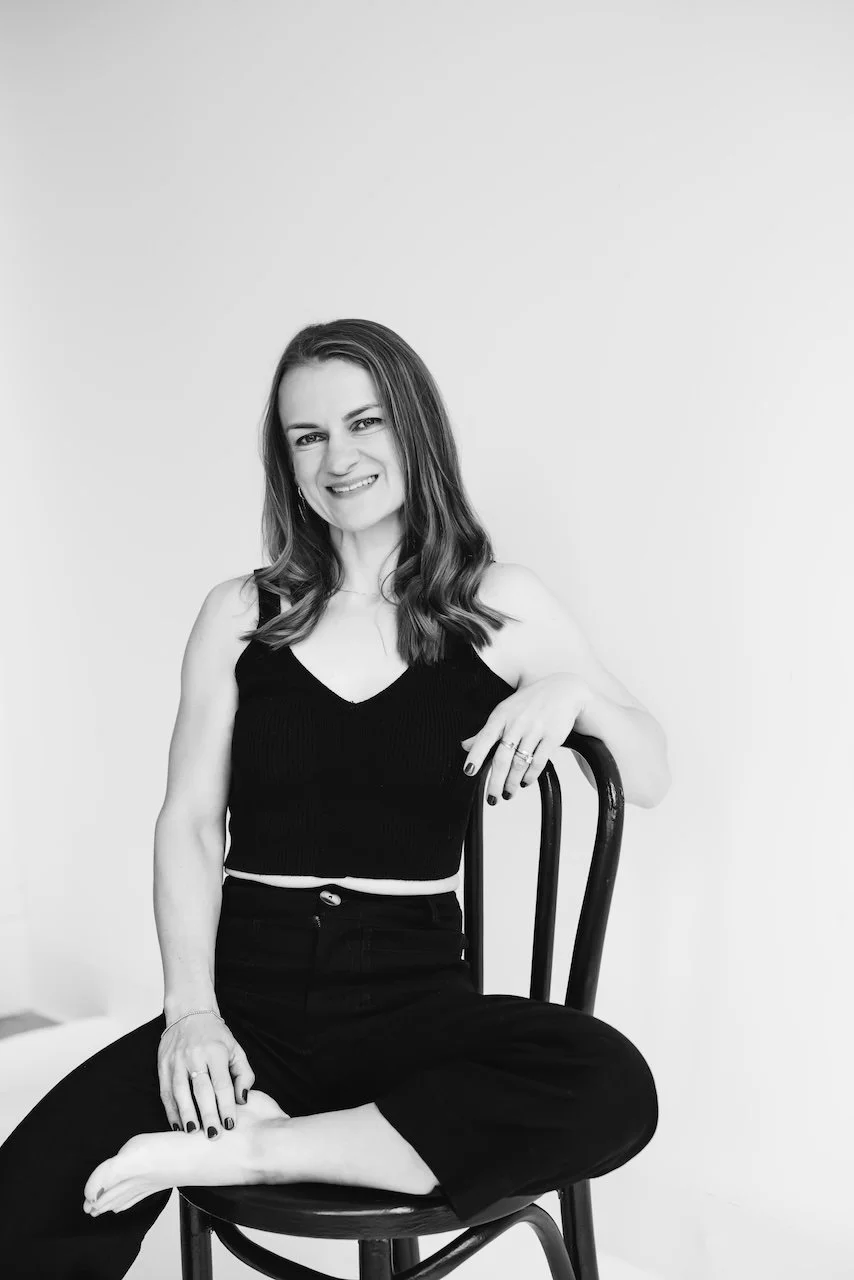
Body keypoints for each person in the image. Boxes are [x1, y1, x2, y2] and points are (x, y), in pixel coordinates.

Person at [0, 318, 669, 1277]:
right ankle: (245, 1118)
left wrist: (573, 695)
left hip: (414, 1002)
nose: (339, 457)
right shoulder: (242, 612)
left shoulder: (498, 605)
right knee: (28, 1200)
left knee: (612, 1084)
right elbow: (189, 822)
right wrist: (192, 1013)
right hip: (250, 1006)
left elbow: (646, 773)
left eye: (365, 423)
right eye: (308, 436)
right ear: (285, 458)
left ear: (414, 431)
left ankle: (257, 1148)